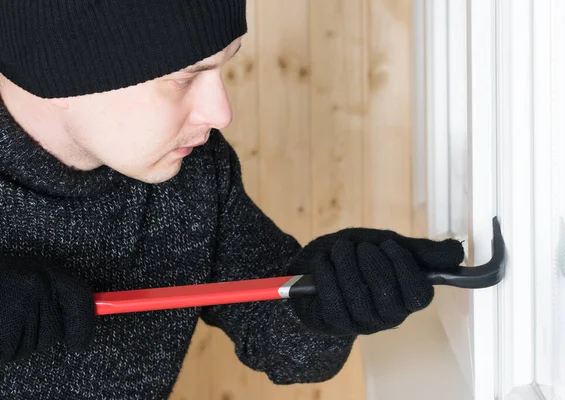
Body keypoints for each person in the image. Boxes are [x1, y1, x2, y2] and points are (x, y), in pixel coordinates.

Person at [0, 1, 465, 399]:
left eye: (224, 66)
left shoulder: (195, 171)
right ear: (60, 70)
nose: (221, 112)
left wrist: (326, 300)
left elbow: (281, 343)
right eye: (185, 78)